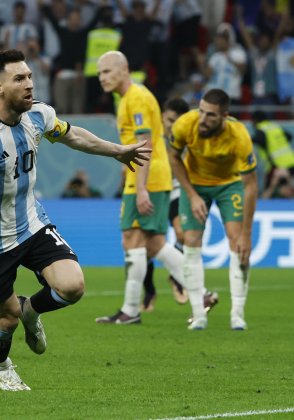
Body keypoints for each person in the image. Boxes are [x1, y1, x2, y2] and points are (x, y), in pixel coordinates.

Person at [0, 49, 150, 392]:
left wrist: (117, 150)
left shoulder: (39, 115)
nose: (30, 84)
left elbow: (73, 135)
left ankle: (33, 310)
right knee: (6, 317)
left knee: (72, 286)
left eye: (30, 76)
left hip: (30, 222)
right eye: (20, 79)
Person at [94, 51, 188, 326]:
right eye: (100, 73)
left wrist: (142, 188)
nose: (102, 78)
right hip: (145, 176)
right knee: (152, 242)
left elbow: (144, 146)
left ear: (124, 70)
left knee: (132, 240)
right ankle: (201, 294)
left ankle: (130, 310)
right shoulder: (128, 98)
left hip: (147, 178)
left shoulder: (136, 98)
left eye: (107, 71)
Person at [169, 88, 258, 331]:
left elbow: (250, 186)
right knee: (191, 241)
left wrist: (247, 234)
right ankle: (199, 314)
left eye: (211, 116)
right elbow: (174, 157)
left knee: (238, 244)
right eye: (202, 112)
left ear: (225, 116)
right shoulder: (185, 125)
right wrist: (191, 194)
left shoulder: (239, 136)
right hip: (194, 185)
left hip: (229, 186)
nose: (203, 119)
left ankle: (237, 315)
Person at [140, 98, 190, 312]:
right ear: (162, 116)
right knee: (144, 245)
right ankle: (149, 291)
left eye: (177, 121)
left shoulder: (186, 137)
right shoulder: (152, 134)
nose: (172, 125)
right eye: (170, 120)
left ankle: (176, 277)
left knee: (182, 234)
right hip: (155, 189)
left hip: (176, 190)